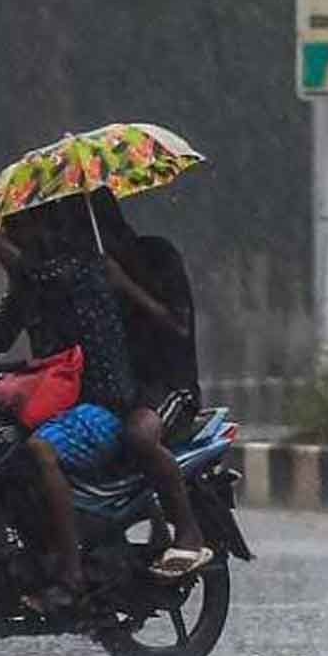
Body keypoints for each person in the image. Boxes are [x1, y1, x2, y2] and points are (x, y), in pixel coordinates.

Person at [0, 197, 135, 613]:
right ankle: (25, 556)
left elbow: (34, 275)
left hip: (100, 405)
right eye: (8, 228)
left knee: (39, 451)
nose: (11, 236)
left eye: (17, 228)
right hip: (57, 406)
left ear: (45, 228)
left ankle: (71, 575)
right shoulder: (34, 284)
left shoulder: (80, 269)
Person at [82, 195, 210, 577]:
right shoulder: (89, 272)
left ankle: (188, 533)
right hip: (123, 388)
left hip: (169, 386)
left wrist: (125, 285)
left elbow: (178, 326)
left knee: (140, 436)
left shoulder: (158, 256)